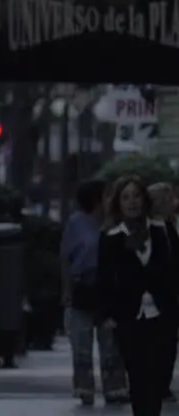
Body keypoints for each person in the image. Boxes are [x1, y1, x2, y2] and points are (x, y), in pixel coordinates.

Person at [98, 176, 179, 416]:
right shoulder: (111, 237)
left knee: (158, 375)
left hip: (162, 314)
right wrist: (107, 314)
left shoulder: (162, 231)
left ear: (144, 200)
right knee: (137, 374)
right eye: (125, 197)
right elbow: (105, 278)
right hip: (129, 316)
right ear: (118, 203)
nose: (132, 202)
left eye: (136, 196)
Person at [61, 178, 128, 406]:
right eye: (106, 195)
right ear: (96, 200)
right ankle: (84, 387)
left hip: (109, 288)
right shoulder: (76, 223)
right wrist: (67, 291)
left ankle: (115, 387)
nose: (111, 200)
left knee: (110, 341)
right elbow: (66, 258)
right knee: (81, 340)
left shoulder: (115, 223)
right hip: (84, 286)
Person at [147, 181, 179, 402]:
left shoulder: (169, 226)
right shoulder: (152, 228)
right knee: (160, 342)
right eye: (170, 199)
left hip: (170, 294)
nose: (175, 203)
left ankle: (161, 384)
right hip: (157, 294)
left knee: (167, 342)